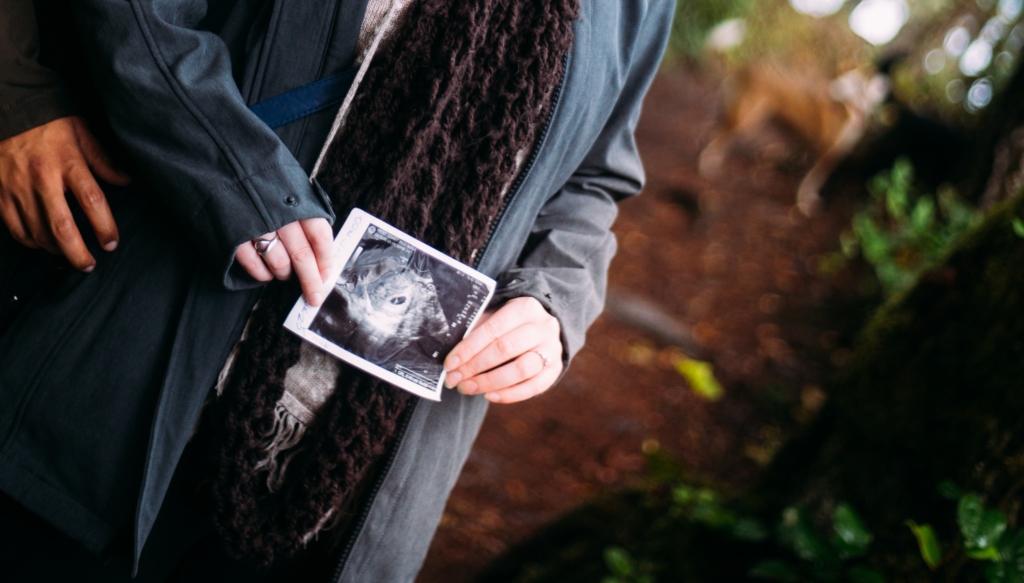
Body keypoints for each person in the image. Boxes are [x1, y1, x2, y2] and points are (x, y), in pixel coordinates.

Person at [0, 0, 674, 580]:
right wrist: (236, 175)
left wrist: (554, 301)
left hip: (344, 495)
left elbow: (594, 178)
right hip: (127, 395)